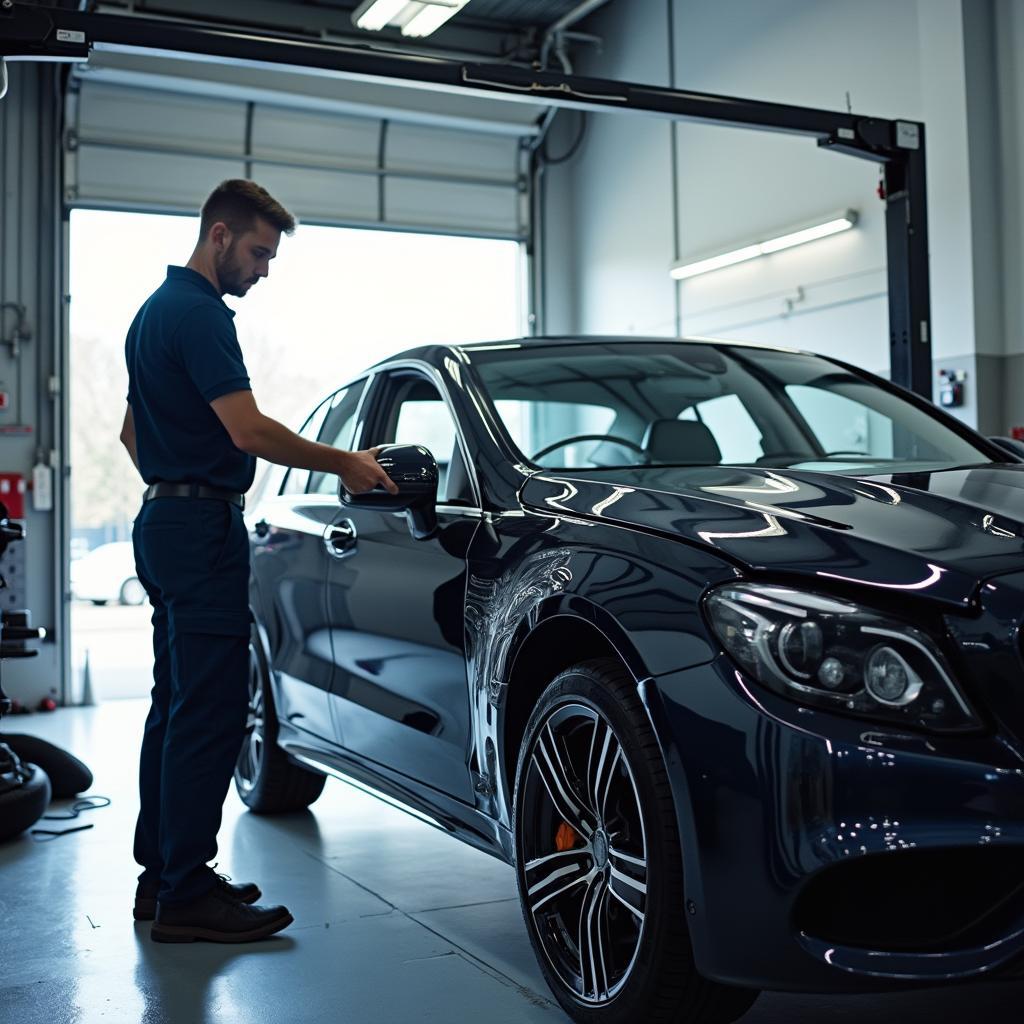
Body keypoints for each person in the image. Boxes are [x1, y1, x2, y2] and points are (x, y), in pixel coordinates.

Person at [119, 179, 397, 944]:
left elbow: (129, 436)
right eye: (258, 253)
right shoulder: (201, 315)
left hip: (162, 518)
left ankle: (162, 877)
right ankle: (186, 894)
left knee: (174, 704)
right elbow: (245, 430)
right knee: (208, 712)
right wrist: (340, 461)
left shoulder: (151, 315)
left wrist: (173, 478)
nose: (263, 270)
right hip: (202, 525)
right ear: (218, 236)